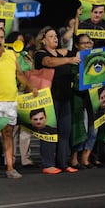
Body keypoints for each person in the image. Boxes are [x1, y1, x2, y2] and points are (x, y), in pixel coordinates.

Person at [0, 26, 38, 179]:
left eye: (1, 37)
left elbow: (19, 74)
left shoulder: (11, 53)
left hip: (10, 99)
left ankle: (10, 168)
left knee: (8, 134)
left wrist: (30, 87)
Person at [34, 26, 80, 174]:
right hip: (50, 98)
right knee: (49, 131)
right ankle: (48, 164)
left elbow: (79, 52)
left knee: (64, 132)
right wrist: (69, 60)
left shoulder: (62, 52)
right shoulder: (41, 54)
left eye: (55, 36)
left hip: (65, 97)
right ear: (43, 40)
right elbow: (49, 62)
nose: (55, 38)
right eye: (51, 36)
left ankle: (63, 162)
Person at [6, 31, 35, 167]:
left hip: (26, 94)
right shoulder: (7, 56)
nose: (21, 43)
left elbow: (32, 72)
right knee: (12, 129)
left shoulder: (27, 57)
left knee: (26, 129)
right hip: (12, 94)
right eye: (18, 40)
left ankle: (26, 158)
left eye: (22, 40)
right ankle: (9, 158)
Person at [70, 34, 99, 169]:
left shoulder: (97, 58)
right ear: (77, 45)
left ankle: (86, 157)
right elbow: (74, 81)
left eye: (89, 43)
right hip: (78, 97)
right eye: (84, 43)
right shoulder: (73, 59)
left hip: (94, 97)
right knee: (80, 127)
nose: (87, 45)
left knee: (95, 127)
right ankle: (74, 157)